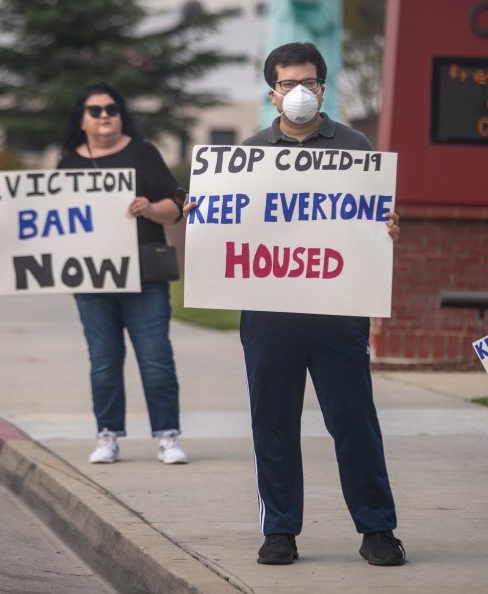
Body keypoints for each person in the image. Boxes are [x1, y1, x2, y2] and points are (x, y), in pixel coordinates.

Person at [190, 42, 405, 566]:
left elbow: (370, 218)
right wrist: (206, 216)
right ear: (272, 93)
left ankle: (377, 529)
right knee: (274, 421)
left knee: (354, 421)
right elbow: (231, 225)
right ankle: (280, 530)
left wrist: (387, 230)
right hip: (269, 312)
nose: (299, 92)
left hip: (337, 310)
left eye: (308, 82)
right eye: (288, 84)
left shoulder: (354, 145)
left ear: (323, 88)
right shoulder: (247, 153)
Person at [0, 82, 188, 465]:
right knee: (103, 361)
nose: (105, 115)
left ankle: (167, 435)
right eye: (95, 110)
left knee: (156, 358)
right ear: (82, 120)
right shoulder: (68, 162)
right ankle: (107, 435)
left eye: (112, 108)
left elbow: (176, 204)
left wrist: (149, 209)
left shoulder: (143, 154)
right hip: (91, 280)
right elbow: (45, 219)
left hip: (144, 277)